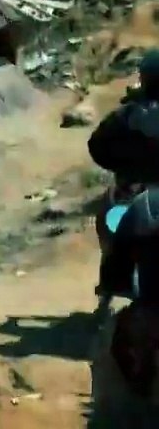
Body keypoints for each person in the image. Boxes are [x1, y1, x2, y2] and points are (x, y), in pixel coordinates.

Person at [89, 50, 159, 309]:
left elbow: (98, 147)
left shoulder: (131, 115)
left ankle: (111, 285)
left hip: (137, 191)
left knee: (112, 227)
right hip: (140, 191)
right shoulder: (132, 113)